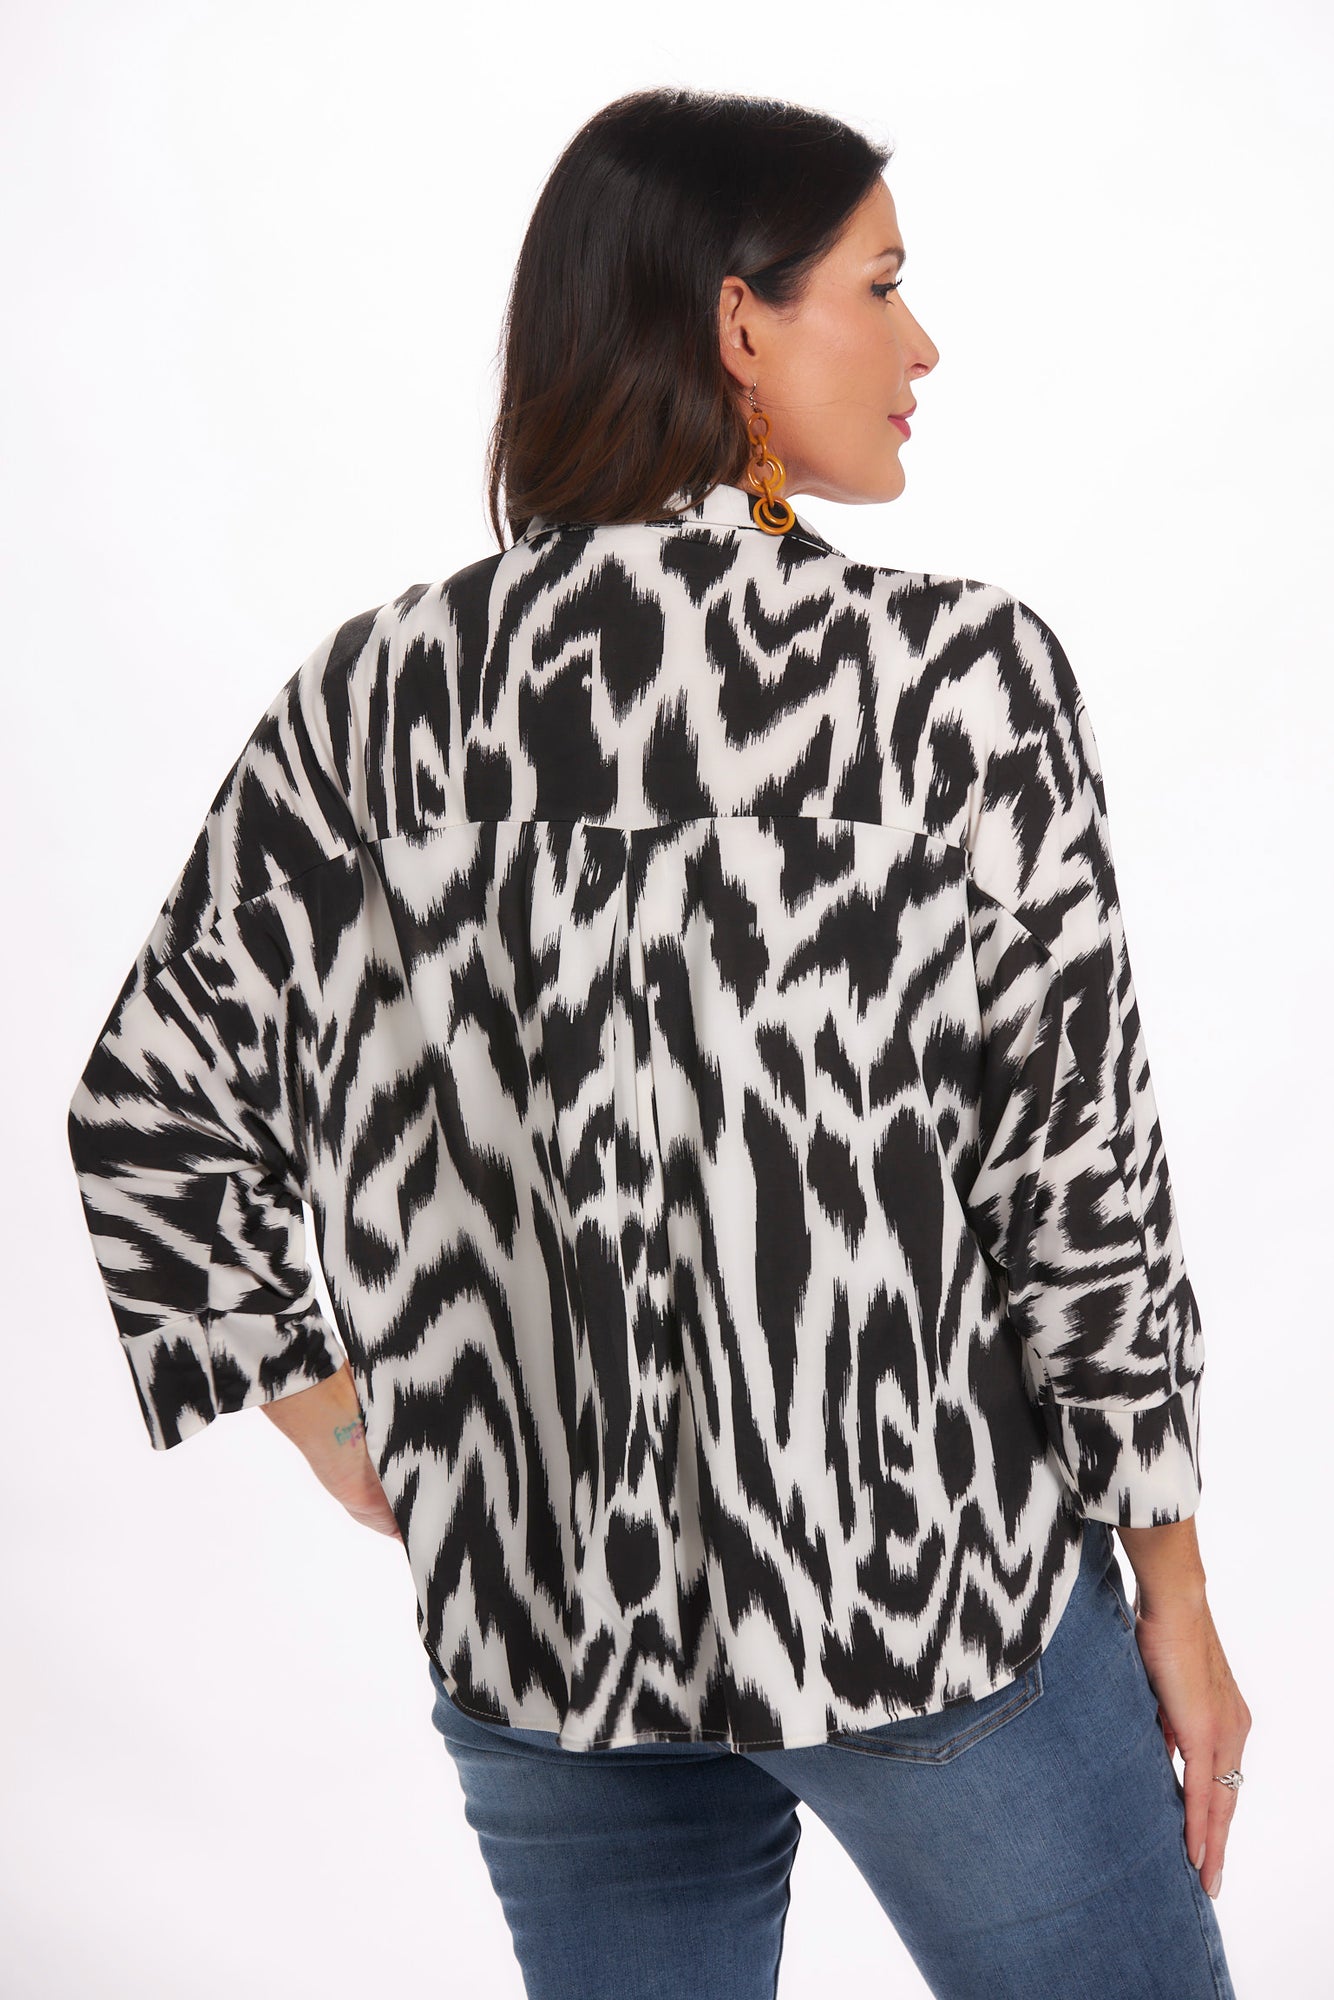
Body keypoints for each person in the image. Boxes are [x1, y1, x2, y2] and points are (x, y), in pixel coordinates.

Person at [66, 85, 1249, 1999]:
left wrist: (354, 1429)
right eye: (880, 284)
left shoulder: (372, 701)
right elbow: (1079, 1188)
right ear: (734, 323)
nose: (922, 345)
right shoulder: (953, 685)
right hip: (918, 1609)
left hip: (545, 1634)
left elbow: (147, 1113)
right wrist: (1171, 1597)